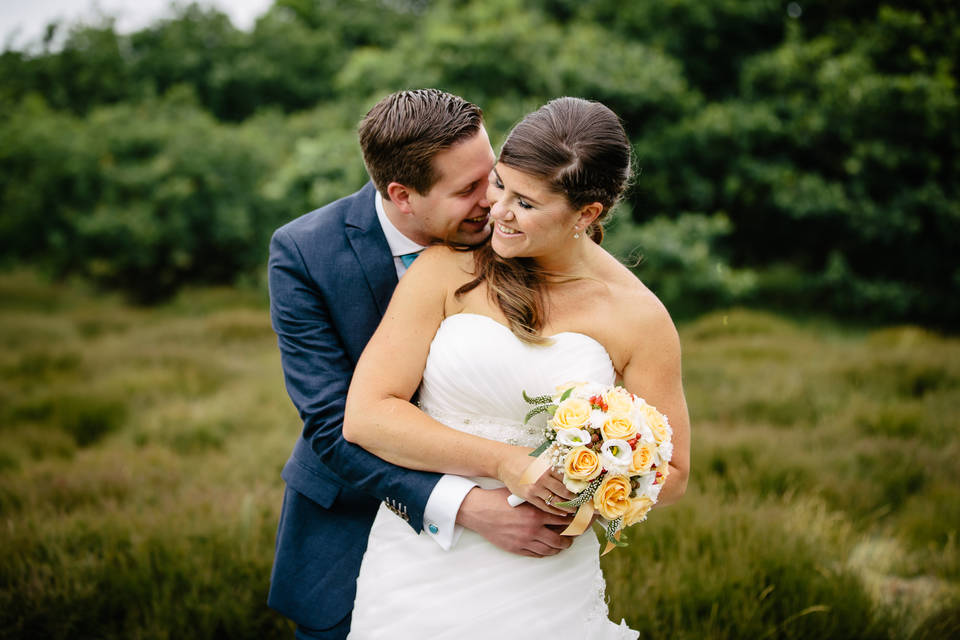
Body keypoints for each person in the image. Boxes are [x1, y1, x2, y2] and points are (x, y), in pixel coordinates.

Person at [342, 97, 691, 638]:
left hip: (544, 574)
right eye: (500, 183)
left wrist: (592, 477)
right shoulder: (447, 267)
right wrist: (509, 464)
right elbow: (366, 416)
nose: (497, 210)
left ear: (587, 214)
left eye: (525, 203)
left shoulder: (640, 318)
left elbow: (671, 474)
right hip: (418, 567)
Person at [267, 90, 578, 640]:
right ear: (402, 195)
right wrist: (465, 507)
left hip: (508, 549)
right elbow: (329, 423)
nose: (494, 201)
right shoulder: (304, 252)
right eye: (468, 190)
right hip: (348, 524)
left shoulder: (514, 237)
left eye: (494, 175)